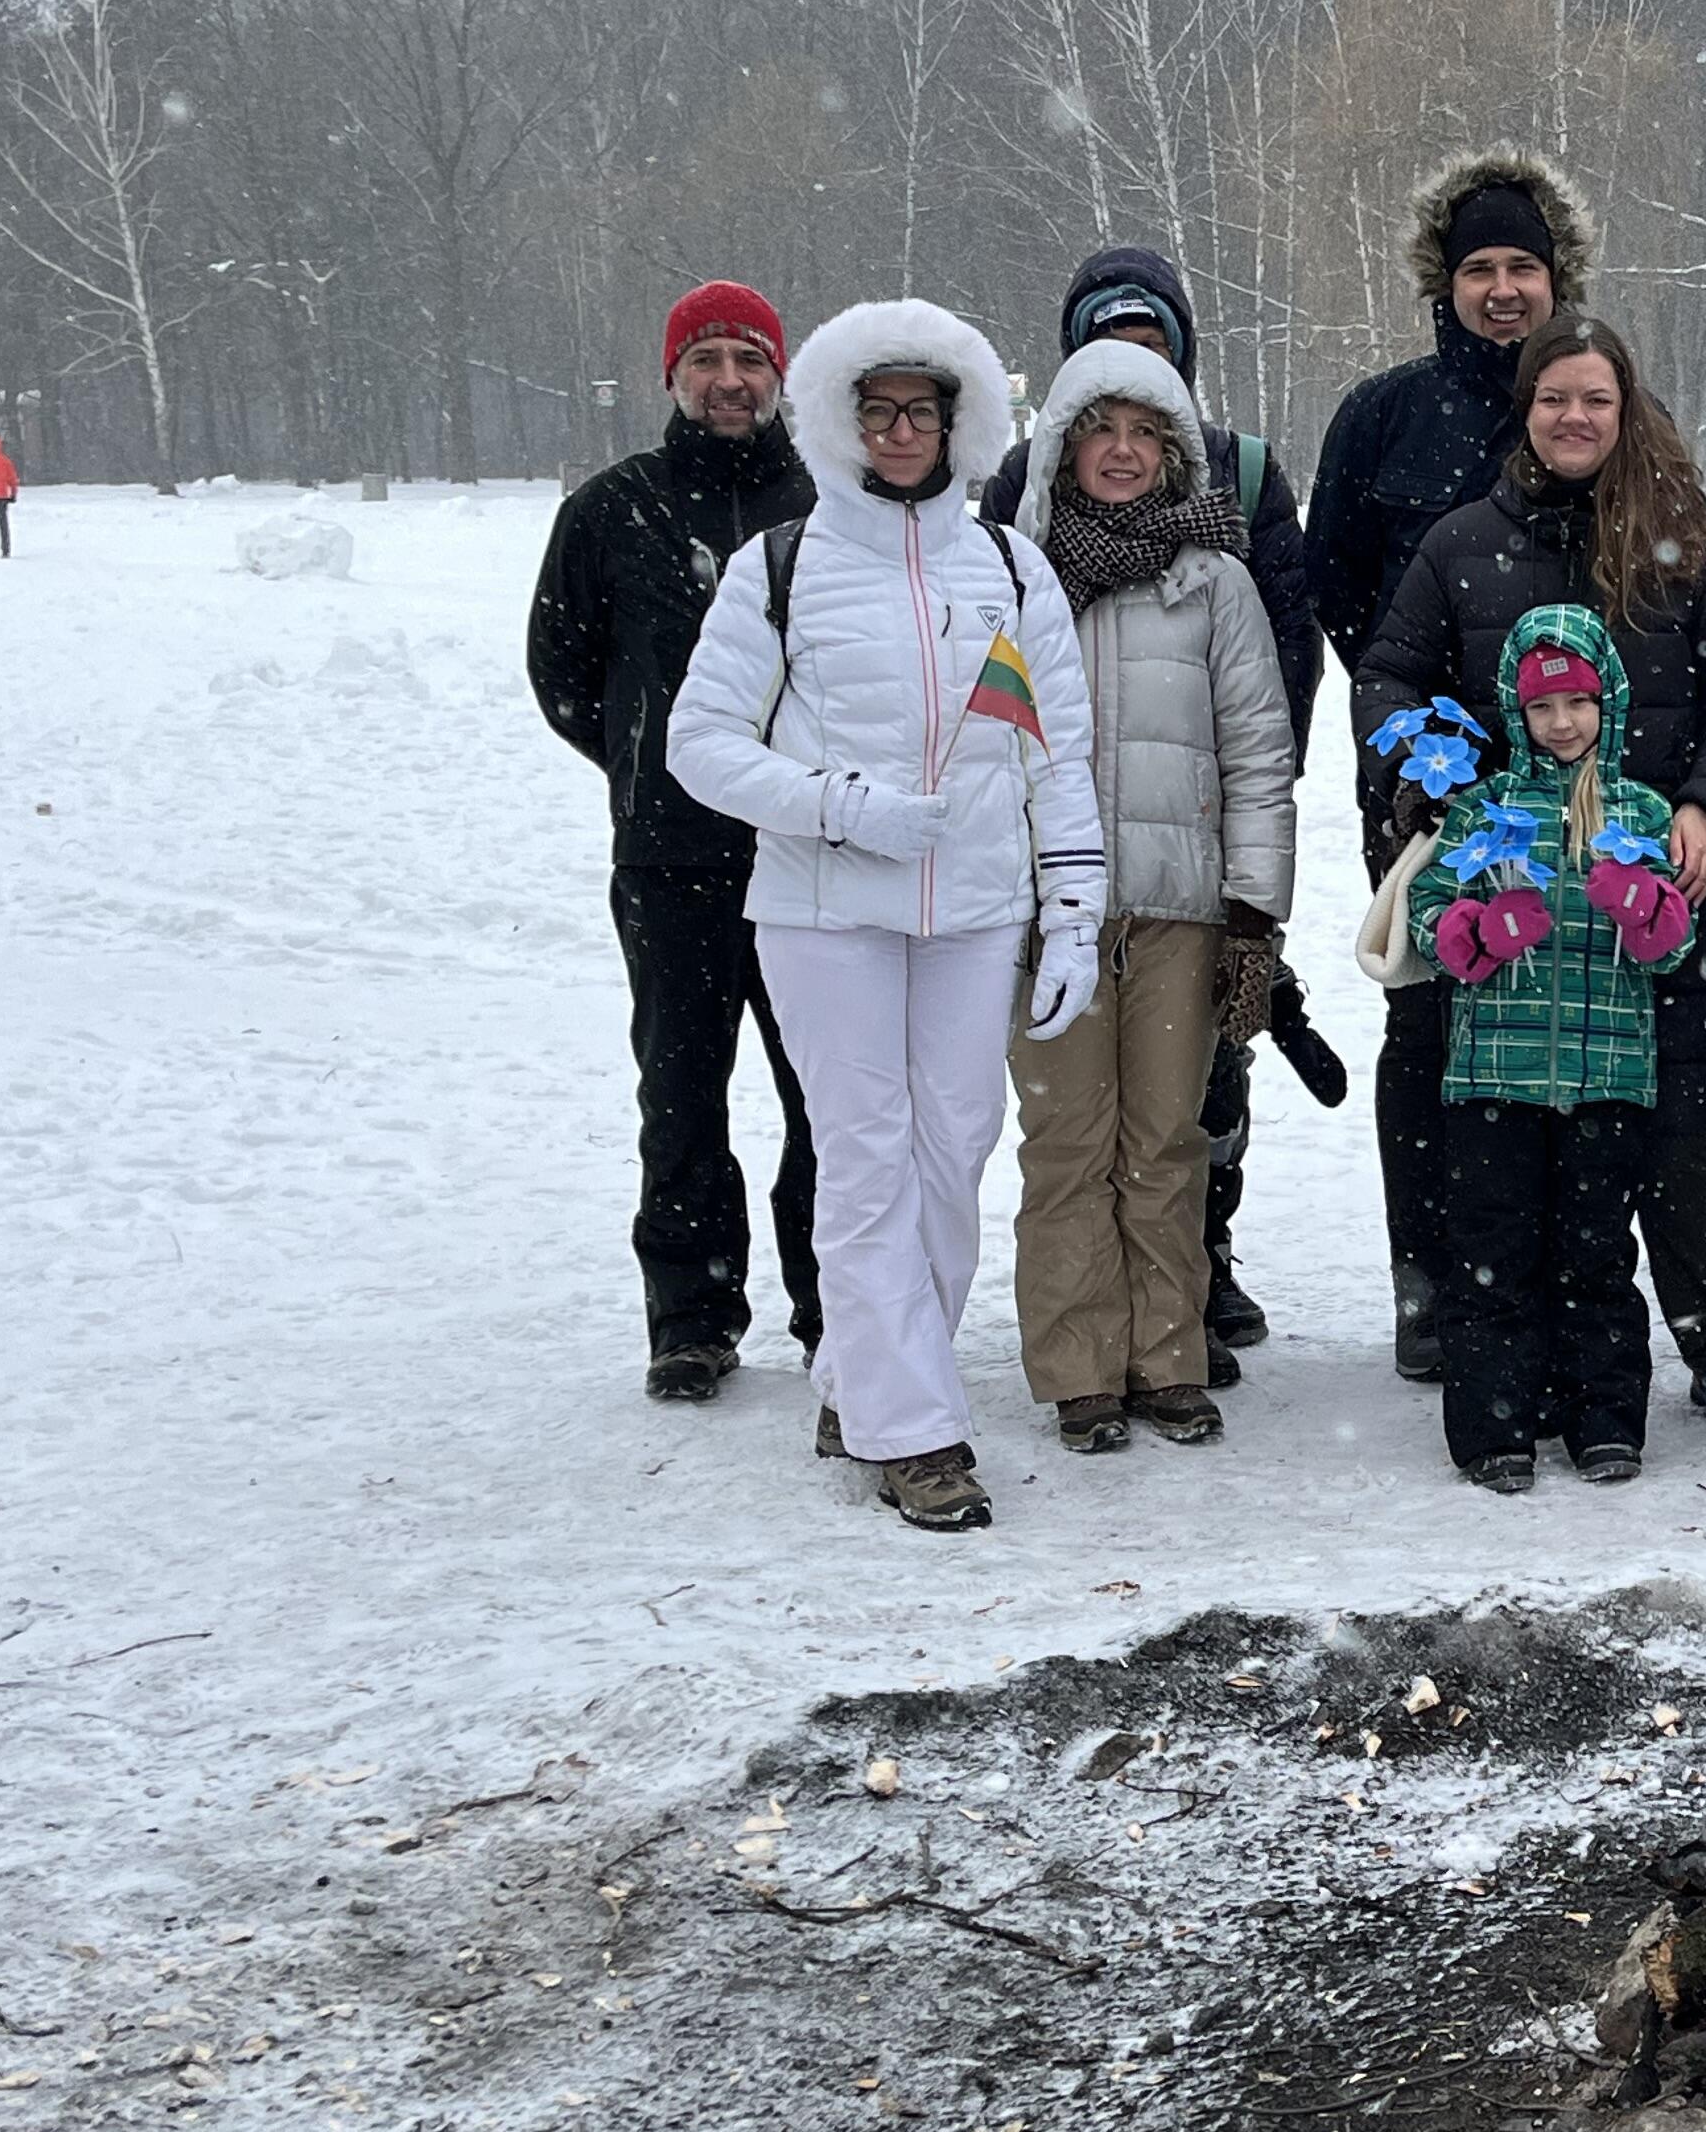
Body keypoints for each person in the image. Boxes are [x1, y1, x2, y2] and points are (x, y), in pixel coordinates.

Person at [666, 300, 1104, 1534]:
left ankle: (859, 1379)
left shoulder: (1009, 567)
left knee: (953, 1150)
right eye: (878, 410)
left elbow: (1058, 754)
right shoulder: (781, 566)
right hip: (824, 913)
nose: (902, 430)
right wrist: (842, 807)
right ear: (836, 419)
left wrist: (1074, 909)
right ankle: (913, 1431)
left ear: (961, 424)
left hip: (976, 908)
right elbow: (700, 745)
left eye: (924, 409)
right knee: (863, 1156)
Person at [1351, 316, 1706, 1424]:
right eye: (1553, 399)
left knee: (1669, 1123)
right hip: (1517, 879)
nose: (1574, 418)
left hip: (1646, 876)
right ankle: (1508, 1338)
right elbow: (1387, 673)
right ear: (1526, 410)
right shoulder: (1462, 542)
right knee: (1513, 1136)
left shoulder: (1687, 542)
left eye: (1595, 398)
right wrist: (1433, 778)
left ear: (1626, 409)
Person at [976, 243, 1326, 1378]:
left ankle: (1172, 1348)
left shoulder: (1214, 574)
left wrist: (1254, 912)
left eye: (1146, 425)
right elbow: (979, 745)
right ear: (1062, 435)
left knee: (1173, 1135)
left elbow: (1262, 740)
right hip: (1054, 910)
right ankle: (1079, 1365)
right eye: (1099, 425)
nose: (1122, 450)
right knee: (1066, 1142)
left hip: (1183, 898)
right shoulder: (1014, 572)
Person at [1308, 148, 1595, 1383]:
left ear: (1557, 278)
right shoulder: (1382, 416)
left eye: (1523, 265)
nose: (1503, 289)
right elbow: (1338, 591)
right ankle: (1428, 1278)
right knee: (1429, 1018)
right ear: (1446, 281)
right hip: (1427, 779)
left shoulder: (1594, 407)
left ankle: (1549, 1277)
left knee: (1564, 1014)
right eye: (1480, 268)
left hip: (1578, 774)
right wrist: (1424, 734)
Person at [526, 283, 824, 1401]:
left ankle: (835, 1305)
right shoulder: (612, 510)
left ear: (780, 376)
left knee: (829, 1096)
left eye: (749, 360)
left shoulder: (830, 502)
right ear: (672, 377)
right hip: (671, 859)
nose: (729, 382)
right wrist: (647, 761)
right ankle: (692, 1318)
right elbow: (563, 672)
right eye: (706, 361)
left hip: (813, 852)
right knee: (682, 1093)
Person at [1406, 606, 1698, 1492]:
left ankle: (1602, 1420)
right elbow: (1426, 915)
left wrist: (1642, 909)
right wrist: (1478, 929)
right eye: (1541, 707)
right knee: (1494, 1256)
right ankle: (1497, 1426)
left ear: (1609, 703)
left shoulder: (1641, 810)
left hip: (1607, 1074)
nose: (1562, 723)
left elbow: (1673, 949)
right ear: (1515, 712)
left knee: (1596, 1255)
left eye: (1577, 703)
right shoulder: (1485, 807)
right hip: (1496, 1073)